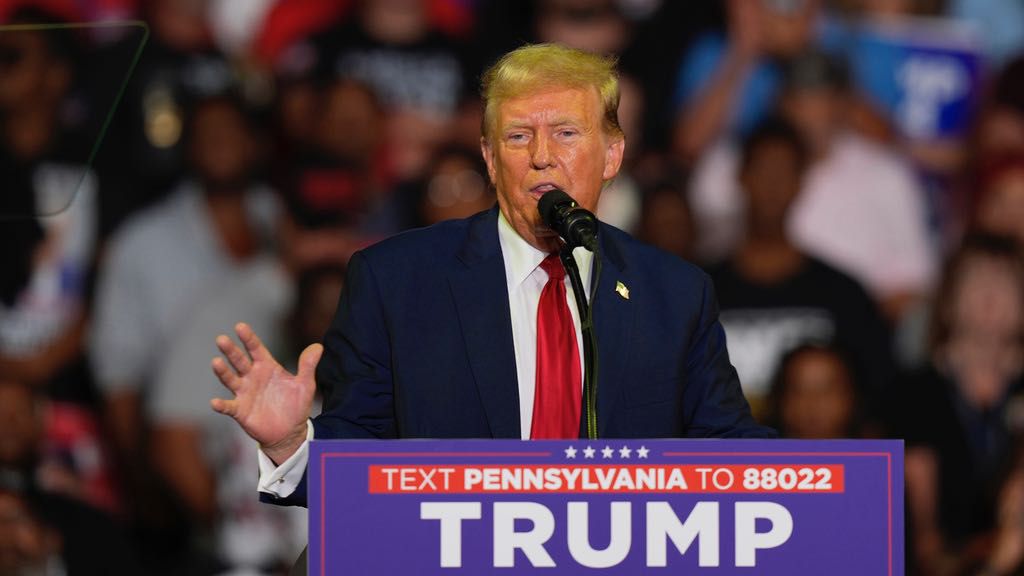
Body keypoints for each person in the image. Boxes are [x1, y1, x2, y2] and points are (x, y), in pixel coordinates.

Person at [210, 43, 773, 508]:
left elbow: (733, 458)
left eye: (568, 134)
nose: (542, 157)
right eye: (518, 136)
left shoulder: (673, 294)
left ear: (612, 156)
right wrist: (292, 442)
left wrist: (837, 483)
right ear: (488, 156)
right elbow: (362, 462)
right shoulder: (397, 281)